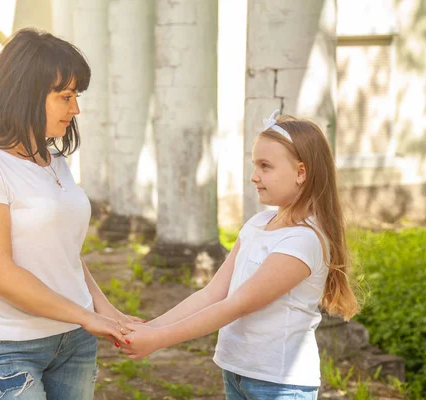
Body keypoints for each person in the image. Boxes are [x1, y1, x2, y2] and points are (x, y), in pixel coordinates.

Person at [0, 28, 136, 400]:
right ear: (26, 94)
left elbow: (62, 252)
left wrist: (105, 310)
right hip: (5, 345)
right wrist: (85, 316)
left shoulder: (55, 161)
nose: (75, 109)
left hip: (72, 342)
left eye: (75, 96)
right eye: (65, 96)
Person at [121, 110, 361, 400]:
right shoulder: (258, 224)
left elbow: (236, 305)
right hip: (237, 372)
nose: (254, 176)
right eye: (254, 165)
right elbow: (212, 294)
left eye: (265, 166)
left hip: (279, 384)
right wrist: (150, 327)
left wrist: (157, 340)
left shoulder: (303, 240)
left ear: (301, 172)